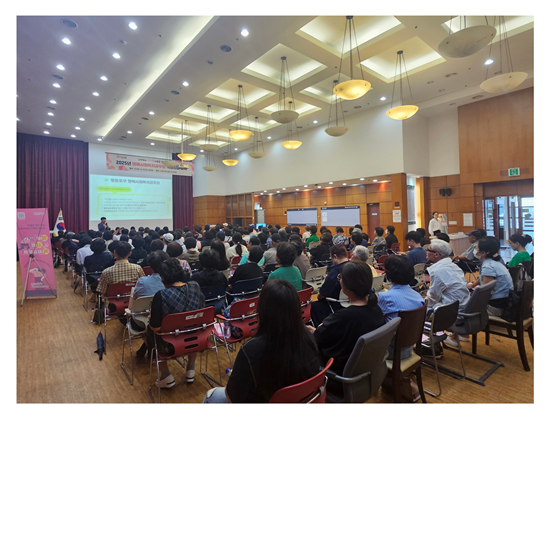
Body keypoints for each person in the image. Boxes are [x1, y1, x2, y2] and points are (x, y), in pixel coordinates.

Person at [203, 279, 321, 403]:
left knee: (212, 395)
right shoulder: (308, 336)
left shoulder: (251, 350)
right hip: (302, 400)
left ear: (262, 310)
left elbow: (231, 397)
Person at [308, 261, 386, 396]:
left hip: (339, 380)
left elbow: (316, 341)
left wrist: (317, 330)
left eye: (340, 278)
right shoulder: (377, 310)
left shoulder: (341, 318)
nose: (339, 280)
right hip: (369, 375)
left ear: (346, 286)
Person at [148, 259, 205, 388]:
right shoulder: (195, 286)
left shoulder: (161, 295)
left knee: (151, 332)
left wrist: (150, 320)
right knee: (192, 325)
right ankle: (190, 369)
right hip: (197, 340)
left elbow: (156, 328)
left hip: (171, 346)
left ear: (162, 278)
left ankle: (166, 375)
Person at [425, 239, 470, 348]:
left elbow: (433, 298)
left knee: (415, 311)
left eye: (428, 250)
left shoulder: (438, 271)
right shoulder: (454, 266)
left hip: (451, 314)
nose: (426, 251)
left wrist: (422, 303)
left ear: (437, 254)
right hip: (463, 309)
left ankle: (429, 344)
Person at [377, 255, 425, 359]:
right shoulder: (418, 297)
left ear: (388, 275)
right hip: (409, 347)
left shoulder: (385, 297)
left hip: (390, 351)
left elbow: (375, 322)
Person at [467, 237, 513, 318]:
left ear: (483, 253)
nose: (475, 251)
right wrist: (475, 283)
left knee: (464, 308)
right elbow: (485, 280)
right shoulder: (494, 262)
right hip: (504, 301)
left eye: (476, 248)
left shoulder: (488, 267)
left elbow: (485, 293)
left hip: (497, 307)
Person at [310, 244, 349, 326]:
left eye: (331, 258)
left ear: (335, 256)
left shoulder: (334, 272)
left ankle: (321, 329)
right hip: (353, 303)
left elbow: (321, 295)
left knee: (313, 305)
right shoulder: (356, 266)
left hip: (336, 305)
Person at [83, 238, 115, 302]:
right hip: (107, 277)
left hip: (92, 278)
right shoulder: (109, 256)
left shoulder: (88, 258)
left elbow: (87, 269)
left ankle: (96, 296)